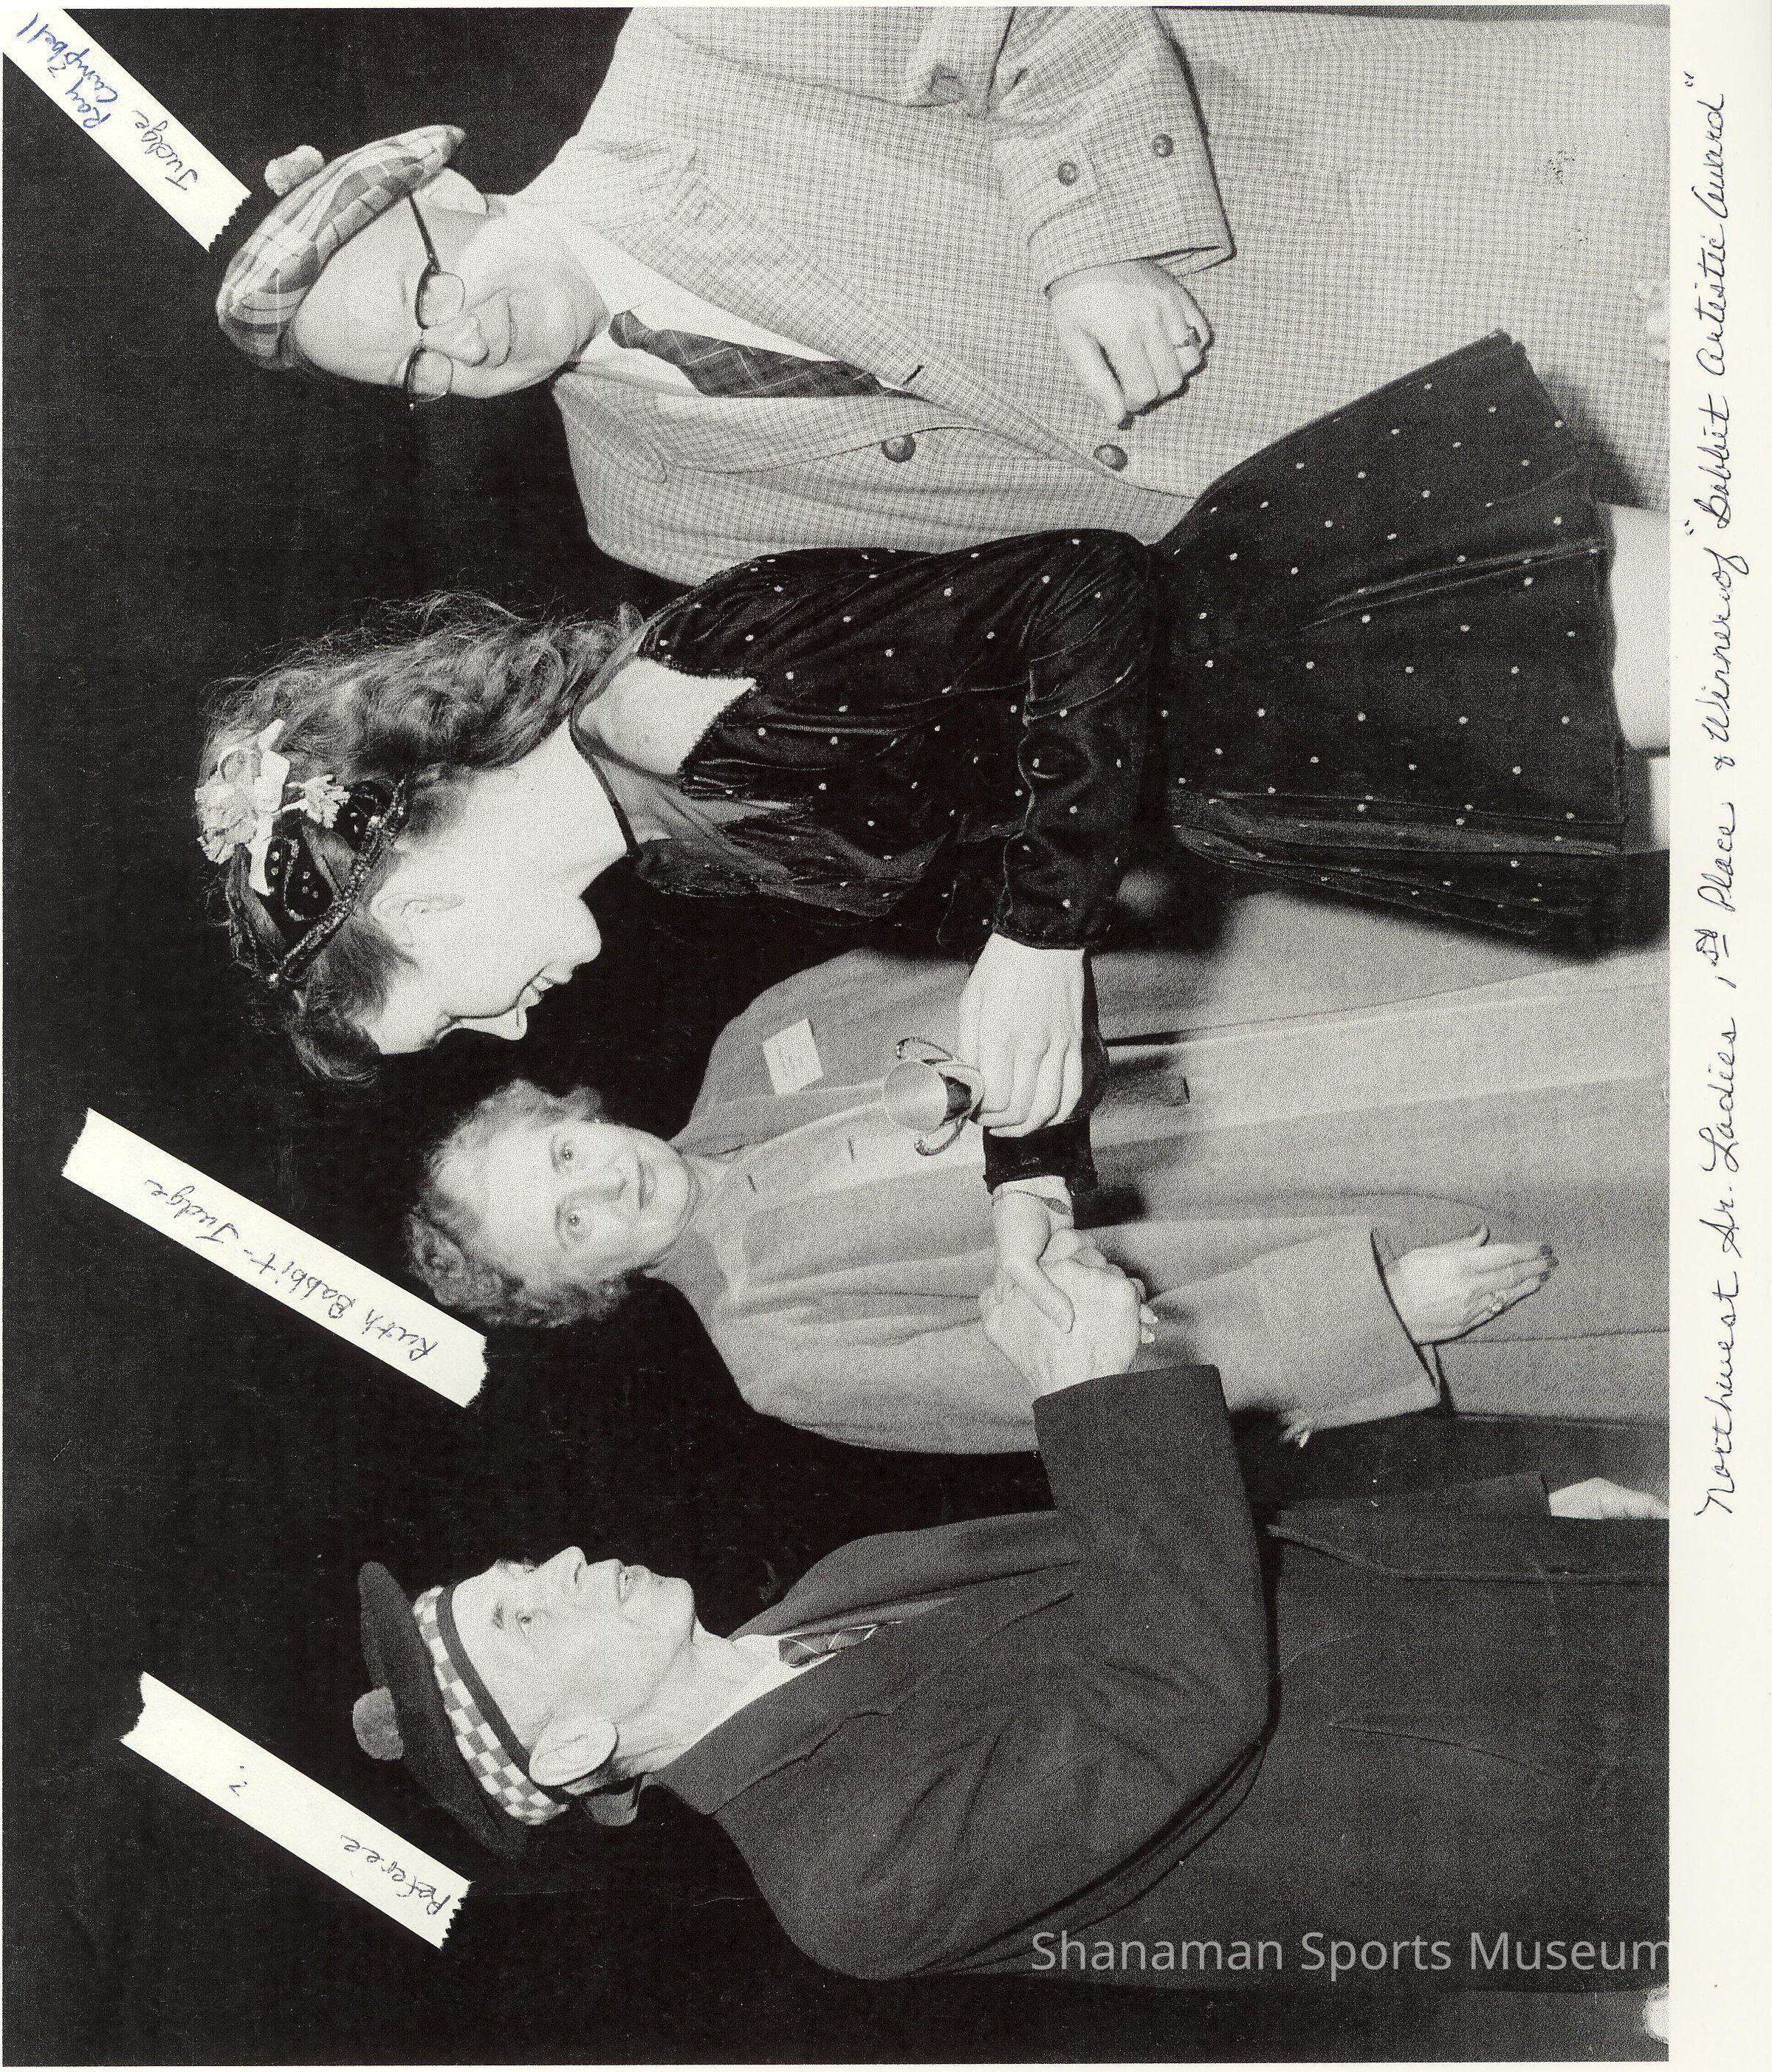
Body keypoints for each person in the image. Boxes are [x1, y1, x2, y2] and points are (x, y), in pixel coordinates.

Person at [196, 335, 1669, 1095]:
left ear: (429, 899)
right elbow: (1011, 850)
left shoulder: (684, 690)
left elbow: (1086, 584)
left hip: (1323, 638)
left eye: (456, 1009)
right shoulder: (679, 845)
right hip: (1287, 772)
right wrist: (1029, 1141)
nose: (510, 1025)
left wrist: (1039, 939)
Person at [353, 1243, 1667, 1983]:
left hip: (1534, 1604)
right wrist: (1095, 1393)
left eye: (521, 1568)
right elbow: (1178, 1699)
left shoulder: (840, 1581)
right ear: (577, 1747)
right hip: (1570, 1785)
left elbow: (1220, 1549)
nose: (563, 1561)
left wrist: (1512, 1517)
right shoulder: (844, 1884)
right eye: (526, 1620)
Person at [212, 10, 1669, 585]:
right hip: (1436, 510)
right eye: (415, 371)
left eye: (429, 289)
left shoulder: (694, 49)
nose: (459, 344)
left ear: (452, 191)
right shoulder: (645, 518)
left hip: (1454, 210)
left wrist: (1093, 246)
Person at [405, 903, 1667, 1451]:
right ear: (580, 1289)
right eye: (570, 1225)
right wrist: (1374, 1310)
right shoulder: (780, 1353)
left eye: (564, 1155)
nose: (605, 1187)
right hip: (1324, 1222)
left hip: (1305, 1003)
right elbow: (1086, 1387)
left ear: (570, 1110)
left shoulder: (759, 1036)